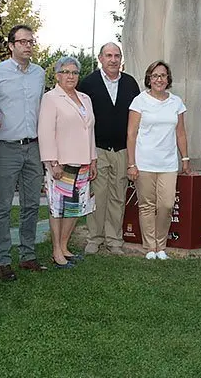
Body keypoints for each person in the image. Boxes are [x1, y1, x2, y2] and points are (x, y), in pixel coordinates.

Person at [0, 25, 46, 280]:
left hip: (33, 147)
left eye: (31, 41)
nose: (28, 46)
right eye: (22, 42)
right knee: (3, 207)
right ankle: (3, 260)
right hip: (5, 148)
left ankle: (28, 255)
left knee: (32, 204)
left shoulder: (40, 74)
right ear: (11, 45)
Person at [78, 43, 140, 255]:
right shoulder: (88, 83)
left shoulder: (130, 83)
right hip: (98, 150)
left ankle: (114, 239)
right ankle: (94, 238)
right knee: (98, 194)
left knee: (118, 196)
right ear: (100, 58)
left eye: (117, 55)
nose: (113, 60)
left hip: (122, 150)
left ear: (121, 59)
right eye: (109, 55)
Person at [127, 61, 191, 260]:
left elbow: (180, 133)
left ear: (168, 79)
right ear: (149, 78)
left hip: (168, 164)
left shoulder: (176, 102)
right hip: (144, 162)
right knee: (147, 205)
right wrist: (131, 163)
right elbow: (131, 134)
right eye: (155, 76)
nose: (159, 79)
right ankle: (150, 248)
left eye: (162, 75)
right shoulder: (139, 101)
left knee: (166, 205)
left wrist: (185, 158)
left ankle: (161, 245)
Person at [38, 56, 97, 268]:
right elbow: (45, 132)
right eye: (66, 72)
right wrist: (52, 162)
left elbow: (89, 130)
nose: (70, 76)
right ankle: (56, 251)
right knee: (58, 207)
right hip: (60, 164)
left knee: (75, 208)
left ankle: (64, 246)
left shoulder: (85, 98)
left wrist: (93, 159)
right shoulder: (51, 98)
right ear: (57, 75)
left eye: (74, 72)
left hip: (83, 162)